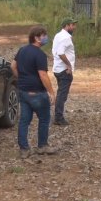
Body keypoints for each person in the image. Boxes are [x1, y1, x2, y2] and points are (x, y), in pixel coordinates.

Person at [11, 26, 57, 159]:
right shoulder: (40, 55)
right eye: (43, 35)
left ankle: (24, 149)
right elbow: (43, 75)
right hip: (37, 93)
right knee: (44, 119)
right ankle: (42, 146)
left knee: (24, 120)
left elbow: (13, 66)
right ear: (36, 38)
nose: (45, 37)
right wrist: (51, 92)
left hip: (23, 92)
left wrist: (21, 78)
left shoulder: (22, 50)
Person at [52, 17, 78, 126]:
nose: (74, 27)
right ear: (67, 25)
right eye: (72, 25)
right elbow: (60, 52)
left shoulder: (58, 35)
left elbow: (55, 51)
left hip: (57, 68)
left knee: (61, 94)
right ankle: (58, 118)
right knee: (62, 95)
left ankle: (58, 115)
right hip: (64, 70)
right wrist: (68, 65)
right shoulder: (66, 37)